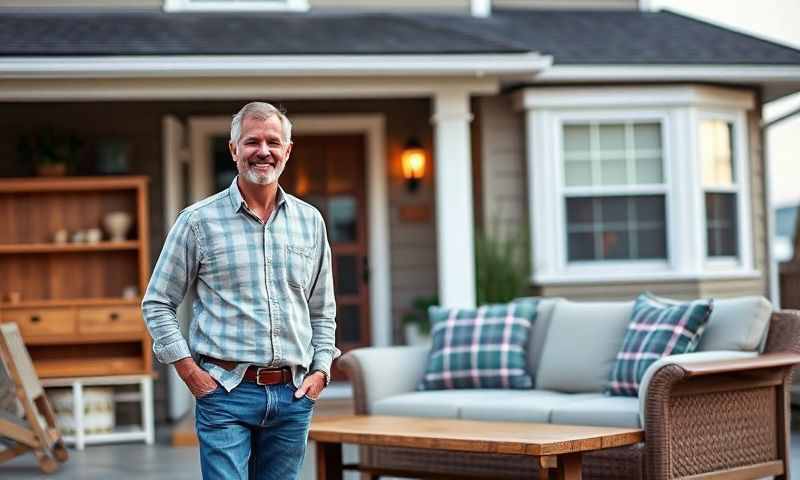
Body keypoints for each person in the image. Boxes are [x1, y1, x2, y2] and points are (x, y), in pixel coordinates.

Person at [142, 101, 339, 480]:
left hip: (293, 395)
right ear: (234, 150)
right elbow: (158, 303)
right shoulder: (198, 221)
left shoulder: (310, 222)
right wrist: (190, 373)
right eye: (251, 142)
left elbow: (322, 309)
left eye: (272, 142)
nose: (263, 151)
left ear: (287, 151)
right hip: (225, 393)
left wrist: (321, 372)